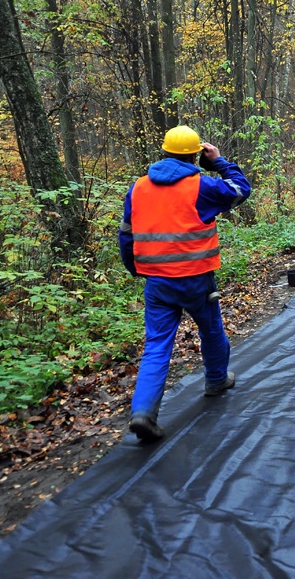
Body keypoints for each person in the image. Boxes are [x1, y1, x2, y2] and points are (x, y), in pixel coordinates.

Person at [119, 125, 251, 443]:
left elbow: (126, 235)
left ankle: (143, 413)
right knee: (211, 331)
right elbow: (240, 189)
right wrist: (219, 161)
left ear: (163, 152)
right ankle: (216, 381)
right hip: (196, 280)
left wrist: (135, 269)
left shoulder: (138, 188)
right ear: (195, 155)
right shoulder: (201, 187)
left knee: (156, 347)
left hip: (158, 284)